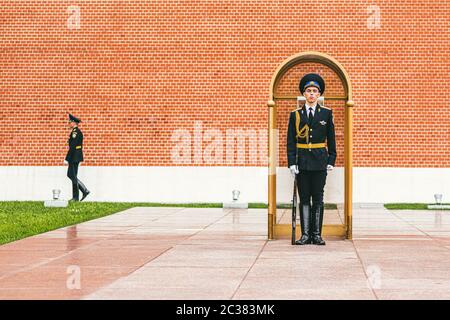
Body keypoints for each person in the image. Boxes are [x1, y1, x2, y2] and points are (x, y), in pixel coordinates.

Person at [286, 73, 336, 245]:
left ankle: (317, 234)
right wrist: (292, 162)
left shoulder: (327, 114)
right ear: (304, 94)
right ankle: (305, 234)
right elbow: (291, 141)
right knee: (304, 197)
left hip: (320, 161)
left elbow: (331, 138)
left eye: (315, 91)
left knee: (318, 198)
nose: (312, 94)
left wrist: (331, 160)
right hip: (302, 162)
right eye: (309, 91)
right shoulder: (296, 115)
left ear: (319, 94)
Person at [64, 113, 90, 201]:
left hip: (74, 156)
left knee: (72, 175)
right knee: (72, 175)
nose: (69, 123)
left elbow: (72, 147)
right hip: (76, 156)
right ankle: (83, 191)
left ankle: (77, 196)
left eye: (70, 122)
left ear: (74, 123)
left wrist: (67, 158)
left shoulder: (75, 132)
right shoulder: (76, 132)